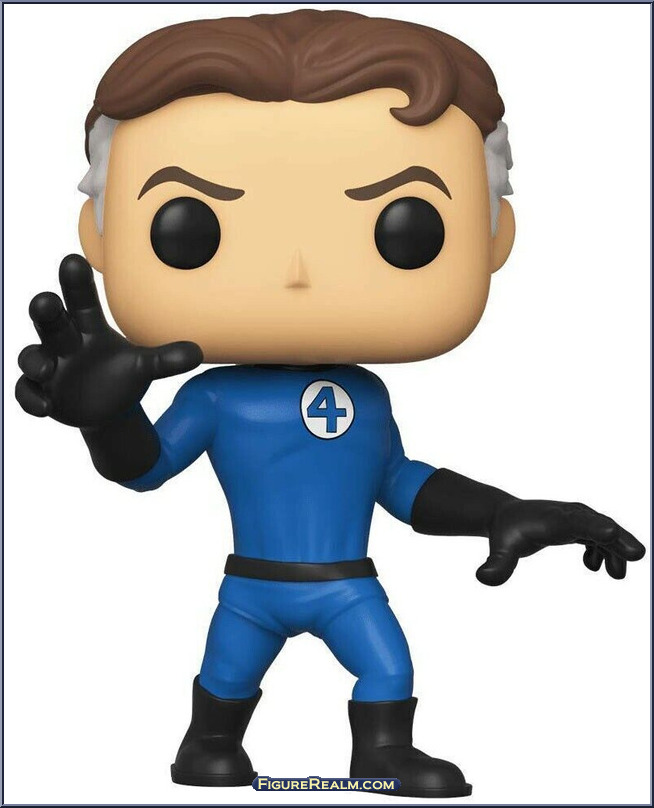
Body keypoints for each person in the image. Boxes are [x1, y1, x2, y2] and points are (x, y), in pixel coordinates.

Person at [15, 10, 644, 798]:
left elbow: (400, 483)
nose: (297, 271)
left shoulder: (366, 398)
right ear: (100, 238)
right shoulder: (216, 396)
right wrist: (107, 417)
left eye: (404, 229)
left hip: (348, 582)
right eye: (190, 229)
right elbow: (145, 470)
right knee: (225, 681)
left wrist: (502, 510)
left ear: (494, 237)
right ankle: (208, 743)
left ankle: (382, 755)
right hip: (251, 588)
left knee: (389, 666)